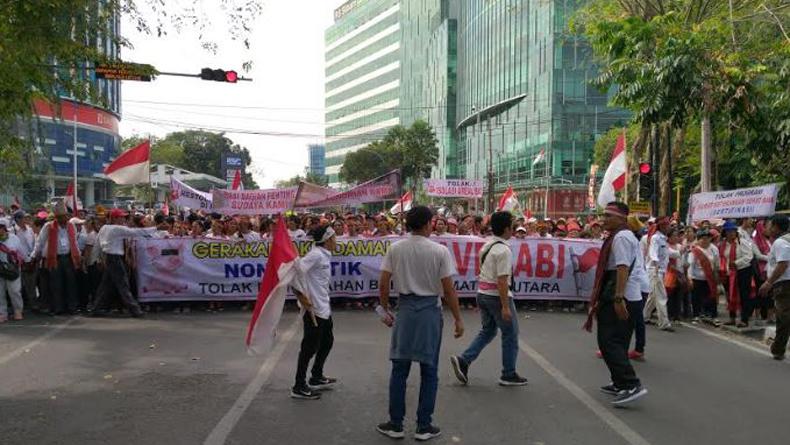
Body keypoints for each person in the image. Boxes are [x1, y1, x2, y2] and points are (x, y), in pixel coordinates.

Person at [376, 206, 464, 442]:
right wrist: (458, 318)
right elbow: (448, 289)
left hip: (405, 310)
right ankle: (424, 426)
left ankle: (396, 424)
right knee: (429, 370)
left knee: (399, 369)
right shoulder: (439, 251)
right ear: (428, 224)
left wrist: (384, 309)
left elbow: (384, 283)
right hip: (429, 312)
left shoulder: (395, 248)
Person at [450, 211, 528, 387]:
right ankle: (508, 374)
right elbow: (502, 280)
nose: (514, 229)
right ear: (507, 228)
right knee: (510, 334)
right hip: (496, 296)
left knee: (488, 331)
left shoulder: (488, 245)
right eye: (513, 225)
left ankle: (464, 360)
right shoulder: (503, 250)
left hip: (483, 294)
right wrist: (505, 307)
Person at [584, 202, 647, 406]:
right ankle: (620, 382)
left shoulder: (620, 237)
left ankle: (630, 384)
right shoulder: (622, 235)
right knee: (617, 341)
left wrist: (619, 298)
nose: (604, 220)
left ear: (621, 218)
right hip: (626, 294)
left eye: (609, 216)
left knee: (608, 341)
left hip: (622, 295)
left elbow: (622, 269)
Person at [290, 225, 338, 400]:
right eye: (334, 237)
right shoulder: (316, 255)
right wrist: (301, 296)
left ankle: (316, 376)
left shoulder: (324, 254)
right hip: (314, 309)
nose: (336, 240)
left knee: (327, 342)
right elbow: (294, 271)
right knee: (309, 348)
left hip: (324, 307)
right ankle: (299, 385)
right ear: (326, 239)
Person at [89, 209, 156, 318]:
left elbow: (97, 244)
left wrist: (94, 259)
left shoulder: (104, 228)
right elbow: (135, 232)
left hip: (108, 258)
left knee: (105, 286)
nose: (123, 219)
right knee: (123, 284)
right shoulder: (117, 229)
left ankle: (96, 308)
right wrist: (155, 228)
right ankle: (135, 310)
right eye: (121, 217)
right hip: (115, 259)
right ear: (115, 218)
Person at [32, 204, 81, 315]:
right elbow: (40, 242)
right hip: (55, 259)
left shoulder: (71, 226)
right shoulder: (49, 226)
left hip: (69, 258)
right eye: (60, 217)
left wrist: (78, 256)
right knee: (56, 284)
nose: (63, 219)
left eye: (64, 217)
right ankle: (58, 307)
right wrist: (34, 256)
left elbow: (74, 243)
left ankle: (71, 307)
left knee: (71, 283)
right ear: (56, 217)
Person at [759, 215, 790, 360]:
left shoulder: (779, 242)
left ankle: (778, 349)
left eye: (770, 225)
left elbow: (782, 264)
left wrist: (768, 282)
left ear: (777, 227)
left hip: (784, 284)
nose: (767, 228)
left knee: (783, 317)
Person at [720, 220, 755, 327]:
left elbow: (749, 256)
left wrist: (735, 263)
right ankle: (732, 317)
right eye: (728, 231)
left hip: (742, 271)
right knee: (729, 294)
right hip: (729, 272)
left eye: (732, 231)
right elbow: (722, 258)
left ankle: (744, 319)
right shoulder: (723, 244)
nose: (731, 233)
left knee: (744, 295)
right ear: (724, 233)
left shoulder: (741, 242)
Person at [643, 217, 674, 332]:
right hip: (655, 270)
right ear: (662, 226)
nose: (669, 227)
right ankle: (664, 323)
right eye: (667, 225)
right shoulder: (656, 238)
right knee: (661, 296)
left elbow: (667, 253)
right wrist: (656, 264)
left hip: (659, 270)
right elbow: (653, 253)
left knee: (653, 296)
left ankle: (644, 316)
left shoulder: (663, 239)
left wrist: (680, 252)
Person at [687, 229, 720, 324]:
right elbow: (691, 265)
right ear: (699, 240)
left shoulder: (714, 249)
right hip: (697, 278)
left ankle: (713, 316)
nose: (705, 240)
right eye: (703, 238)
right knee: (696, 298)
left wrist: (716, 274)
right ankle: (696, 315)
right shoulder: (695, 250)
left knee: (712, 297)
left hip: (710, 277)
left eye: (707, 238)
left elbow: (716, 263)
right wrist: (689, 278)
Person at [0, 218, 25, 321]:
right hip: (0, 269)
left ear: (5, 228)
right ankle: (2, 313)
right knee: (0, 292)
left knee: (14, 291)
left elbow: (21, 252)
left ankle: (18, 310)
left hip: (12, 269)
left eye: (1, 227)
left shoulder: (14, 238)